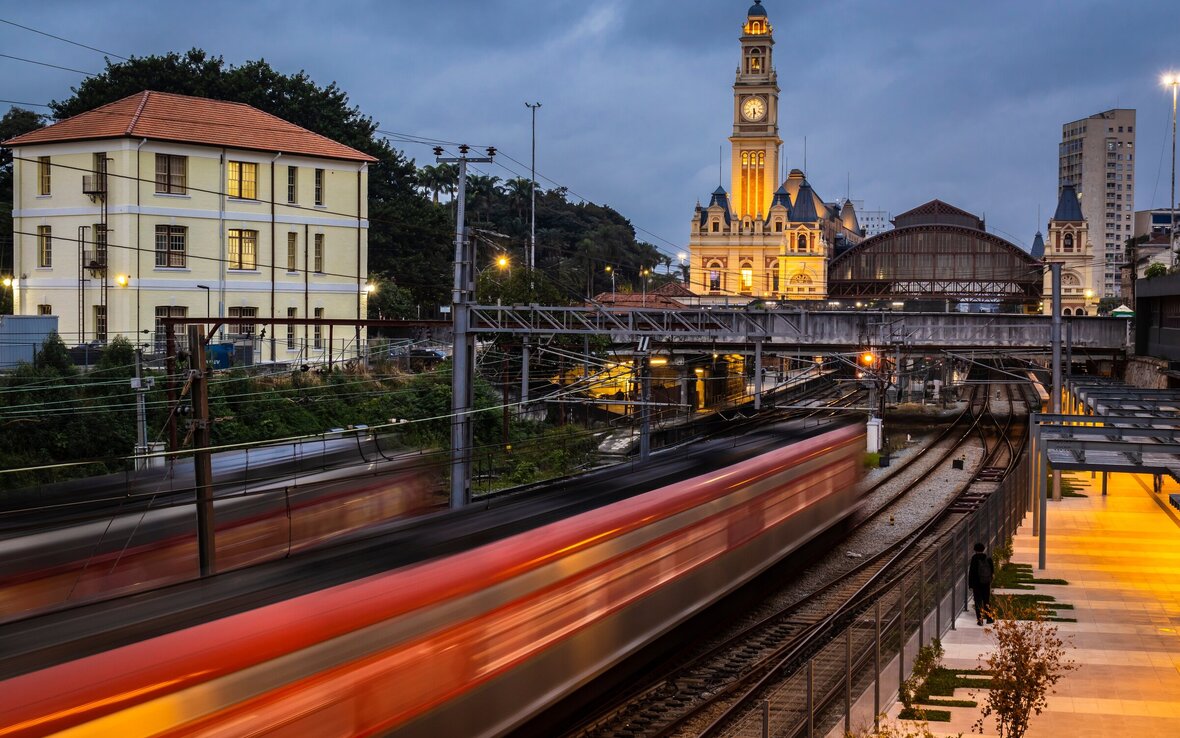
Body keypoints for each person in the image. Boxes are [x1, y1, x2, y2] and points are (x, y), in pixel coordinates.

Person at [968, 542, 994, 625]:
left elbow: (971, 572)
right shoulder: (988, 558)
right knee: (986, 600)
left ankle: (980, 620)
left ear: (975, 550)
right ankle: (989, 618)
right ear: (983, 549)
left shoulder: (974, 558)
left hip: (977, 584)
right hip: (986, 583)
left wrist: (970, 584)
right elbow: (992, 571)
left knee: (978, 602)